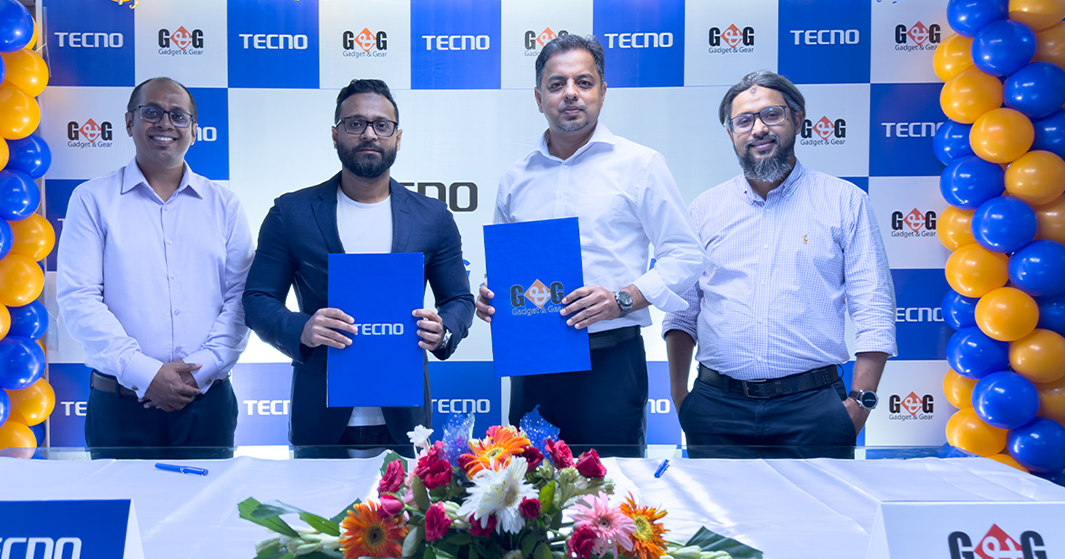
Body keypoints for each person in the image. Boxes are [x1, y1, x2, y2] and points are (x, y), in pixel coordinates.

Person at [477, 34, 707, 456]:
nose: (570, 93)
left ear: (602, 91)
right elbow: (504, 268)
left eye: (583, 82)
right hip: (532, 361)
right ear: (538, 97)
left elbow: (687, 255)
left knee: (608, 489)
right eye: (556, 84)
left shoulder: (640, 165)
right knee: (526, 488)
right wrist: (491, 295)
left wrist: (623, 299)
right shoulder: (515, 178)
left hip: (610, 362)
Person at [664, 70, 897, 459]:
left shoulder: (845, 202)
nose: (758, 129)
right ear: (731, 133)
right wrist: (679, 397)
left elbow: (874, 308)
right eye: (744, 121)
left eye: (772, 114)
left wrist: (860, 403)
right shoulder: (704, 209)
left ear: (798, 118)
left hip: (815, 411)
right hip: (715, 411)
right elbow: (682, 312)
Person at [242, 79, 475, 456]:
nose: (369, 134)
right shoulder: (291, 213)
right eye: (355, 124)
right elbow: (257, 299)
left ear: (398, 137)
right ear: (335, 134)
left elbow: (459, 300)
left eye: (382, 125)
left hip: (405, 420)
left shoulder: (432, 217)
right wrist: (304, 328)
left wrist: (443, 329)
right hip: (319, 417)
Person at [56, 77, 254, 458]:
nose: (165, 123)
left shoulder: (224, 205)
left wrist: (199, 372)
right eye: (152, 112)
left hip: (207, 405)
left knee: (210, 501)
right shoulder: (92, 200)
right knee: (121, 500)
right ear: (129, 122)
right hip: (120, 407)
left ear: (194, 131)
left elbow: (242, 299)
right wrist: (145, 374)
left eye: (178, 116)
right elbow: (79, 300)